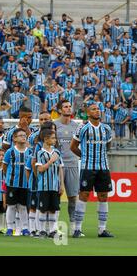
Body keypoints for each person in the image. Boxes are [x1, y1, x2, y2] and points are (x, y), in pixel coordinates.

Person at [71, 102, 114, 238]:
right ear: (88, 113)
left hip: (103, 167)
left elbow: (108, 146)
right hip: (87, 167)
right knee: (83, 195)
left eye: (98, 109)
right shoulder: (82, 127)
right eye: (94, 109)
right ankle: (77, 229)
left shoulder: (106, 128)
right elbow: (73, 146)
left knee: (103, 196)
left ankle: (102, 230)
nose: (97, 111)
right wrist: (85, 157)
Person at [54, 100, 81, 235]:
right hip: (58, 166)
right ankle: (54, 226)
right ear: (59, 110)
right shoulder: (54, 125)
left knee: (72, 197)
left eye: (70, 106)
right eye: (65, 106)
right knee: (56, 196)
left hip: (72, 164)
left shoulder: (76, 126)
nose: (68, 108)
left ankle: (73, 227)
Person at [35, 128, 65, 238]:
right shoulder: (40, 153)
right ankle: (42, 230)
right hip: (43, 186)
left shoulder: (57, 152)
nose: (55, 140)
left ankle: (52, 230)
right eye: (53, 138)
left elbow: (60, 169)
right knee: (43, 209)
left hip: (55, 186)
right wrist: (51, 161)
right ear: (46, 139)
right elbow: (40, 169)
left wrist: (61, 184)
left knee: (53, 209)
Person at [3, 128, 33, 236]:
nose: (23, 137)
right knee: (11, 206)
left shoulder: (30, 152)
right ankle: (10, 228)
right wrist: (10, 178)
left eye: (25, 135)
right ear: (14, 138)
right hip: (12, 184)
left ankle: (25, 228)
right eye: (20, 135)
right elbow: (5, 166)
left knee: (23, 206)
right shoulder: (10, 151)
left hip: (25, 184)